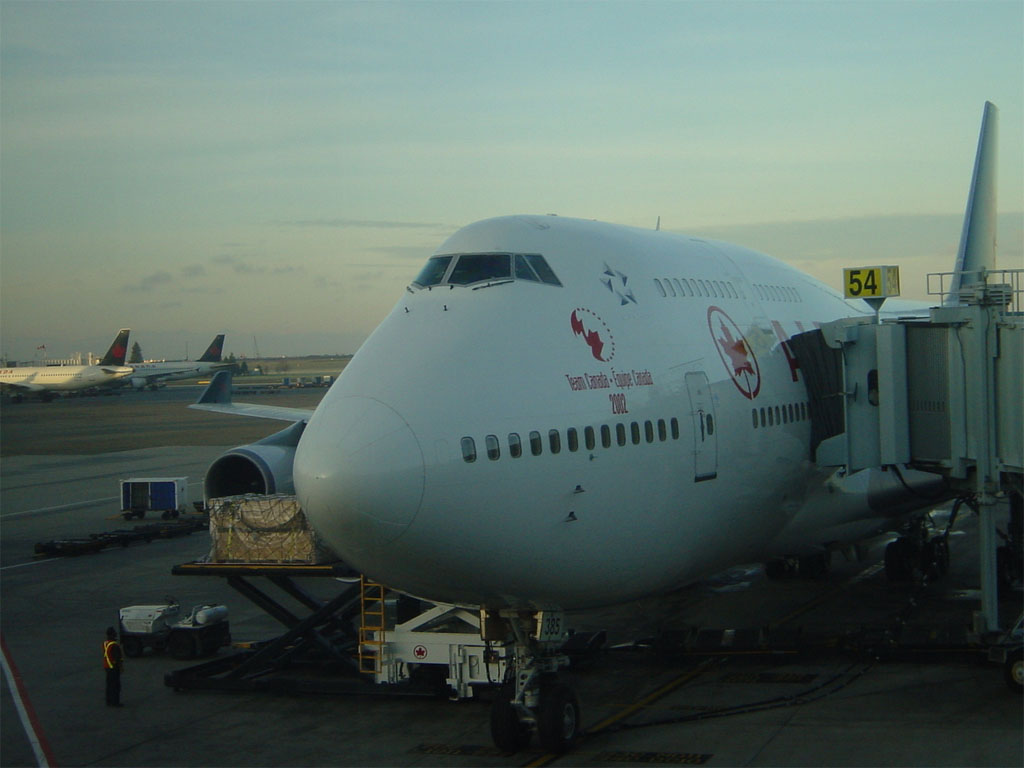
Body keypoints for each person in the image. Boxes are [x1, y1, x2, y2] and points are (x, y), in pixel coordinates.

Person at [103, 627, 124, 706]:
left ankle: (108, 701)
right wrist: (120, 666)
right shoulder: (114, 645)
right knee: (115, 686)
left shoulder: (106, 643)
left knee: (109, 685)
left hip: (107, 667)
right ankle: (115, 702)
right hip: (114, 668)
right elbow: (117, 657)